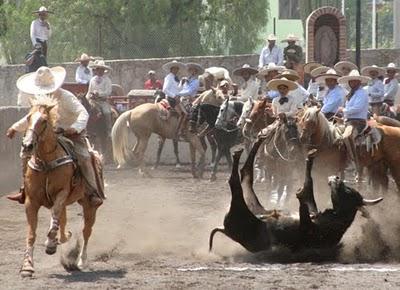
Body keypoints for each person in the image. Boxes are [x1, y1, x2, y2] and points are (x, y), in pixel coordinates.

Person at [6, 66, 103, 206]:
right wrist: (15, 127)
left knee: (85, 157)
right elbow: (33, 118)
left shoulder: (66, 96)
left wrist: (74, 128)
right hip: (47, 134)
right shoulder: (39, 100)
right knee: (25, 153)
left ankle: (92, 191)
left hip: (71, 135)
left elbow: (83, 113)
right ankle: (26, 188)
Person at [337, 69, 371, 173]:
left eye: (354, 81)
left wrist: (344, 110)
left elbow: (357, 108)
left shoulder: (362, 93)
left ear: (359, 82)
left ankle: (353, 162)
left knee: (347, 136)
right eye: (351, 81)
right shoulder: (352, 93)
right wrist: (342, 116)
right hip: (348, 121)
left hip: (358, 122)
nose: (352, 83)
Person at [86, 60, 113, 136]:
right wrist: (87, 97)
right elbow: (89, 91)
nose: (99, 71)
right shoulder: (92, 80)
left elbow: (108, 92)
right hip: (93, 101)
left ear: (104, 70)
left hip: (102, 101)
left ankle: (109, 131)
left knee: (107, 113)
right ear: (96, 70)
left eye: (101, 69)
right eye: (98, 69)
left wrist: (99, 94)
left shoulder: (107, 80)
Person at [175, 62, 203, 136]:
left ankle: (181, 130)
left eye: (193, 70)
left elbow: (189, 91)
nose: (191, 72)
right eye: (190, 70)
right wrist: (181, 82)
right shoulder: (186, 81)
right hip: (182, 98)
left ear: (195, 72)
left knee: (186, 113)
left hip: (189, 99)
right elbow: (179, 89)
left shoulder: (196, 81)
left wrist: (178, 94)